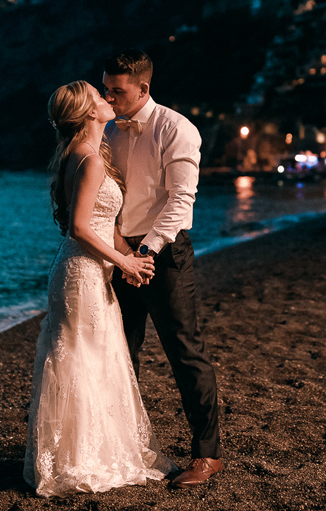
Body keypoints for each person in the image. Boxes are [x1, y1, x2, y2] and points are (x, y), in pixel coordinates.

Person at [24, 80, 175, 497]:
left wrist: (130, 255)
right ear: (90, 112)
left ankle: (85, 453)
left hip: (89, 270)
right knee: (81, 359)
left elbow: (101, 226)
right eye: (99, 95)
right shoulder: (88, 160)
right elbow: (78, 227)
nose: (108, 98)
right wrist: (123, 260)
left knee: (94, 357)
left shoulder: (88, 153)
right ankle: (77, 460)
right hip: (81, 274)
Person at [102, 49, 223, 488]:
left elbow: (181, 201)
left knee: (184, 353)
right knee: (121, 352)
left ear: (144, 89)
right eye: (106, 89)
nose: (109, 98)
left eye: (118, 91)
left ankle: (207, 456)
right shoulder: (107, 130)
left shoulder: (176, 128)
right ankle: (126, 446)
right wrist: (118, 250)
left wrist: (146, 253)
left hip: (164, 254)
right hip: (118, 254)